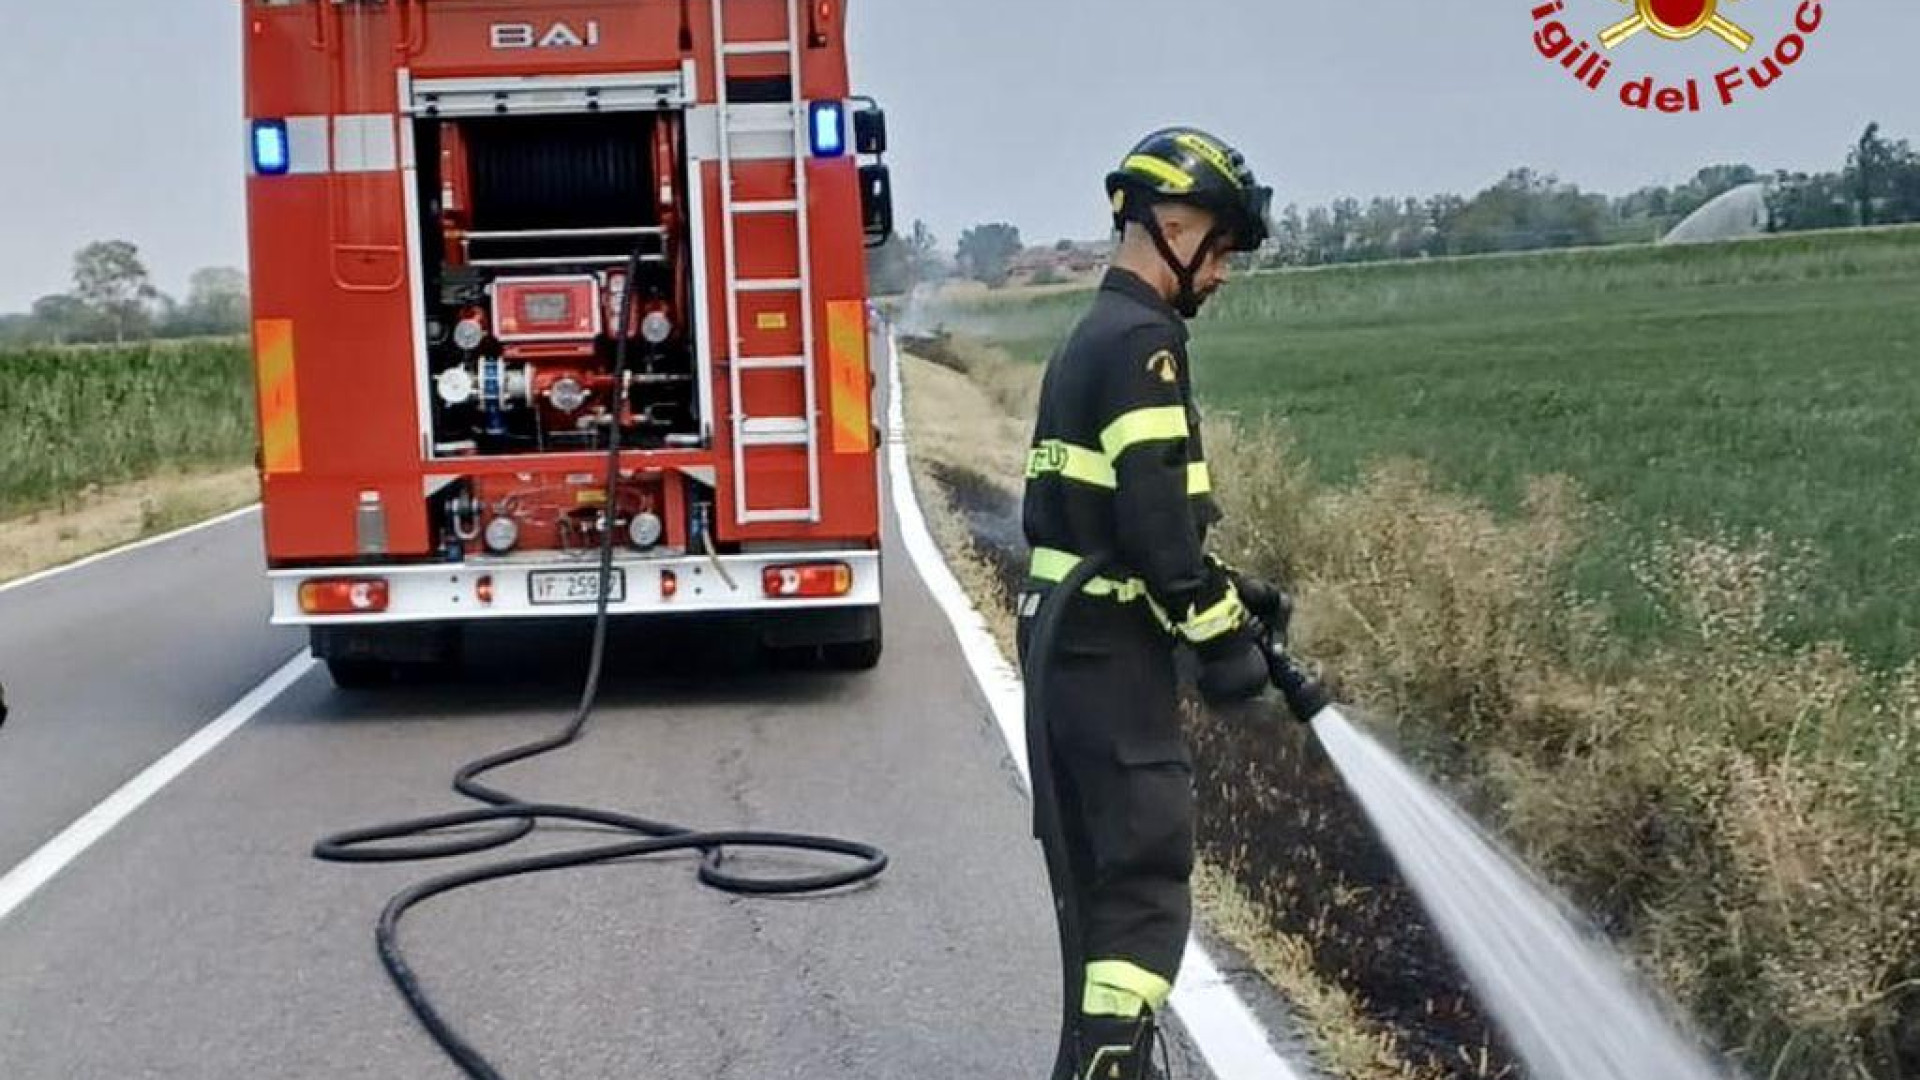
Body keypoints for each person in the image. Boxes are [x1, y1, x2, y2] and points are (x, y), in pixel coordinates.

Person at [1016, 127, 1291, 1080]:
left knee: (1104, 878)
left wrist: (1229, 590)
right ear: (1171, 224)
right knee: (1143, 874)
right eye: (1218, 248)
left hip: (1072, 643)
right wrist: (1222, 642)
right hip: (1104, 649)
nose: (1221, 273)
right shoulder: (1145, 343)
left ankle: (1104, 1063)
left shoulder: (1096, 333)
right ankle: (1111, 1068)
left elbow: (1122, 516)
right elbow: (1154, 531)